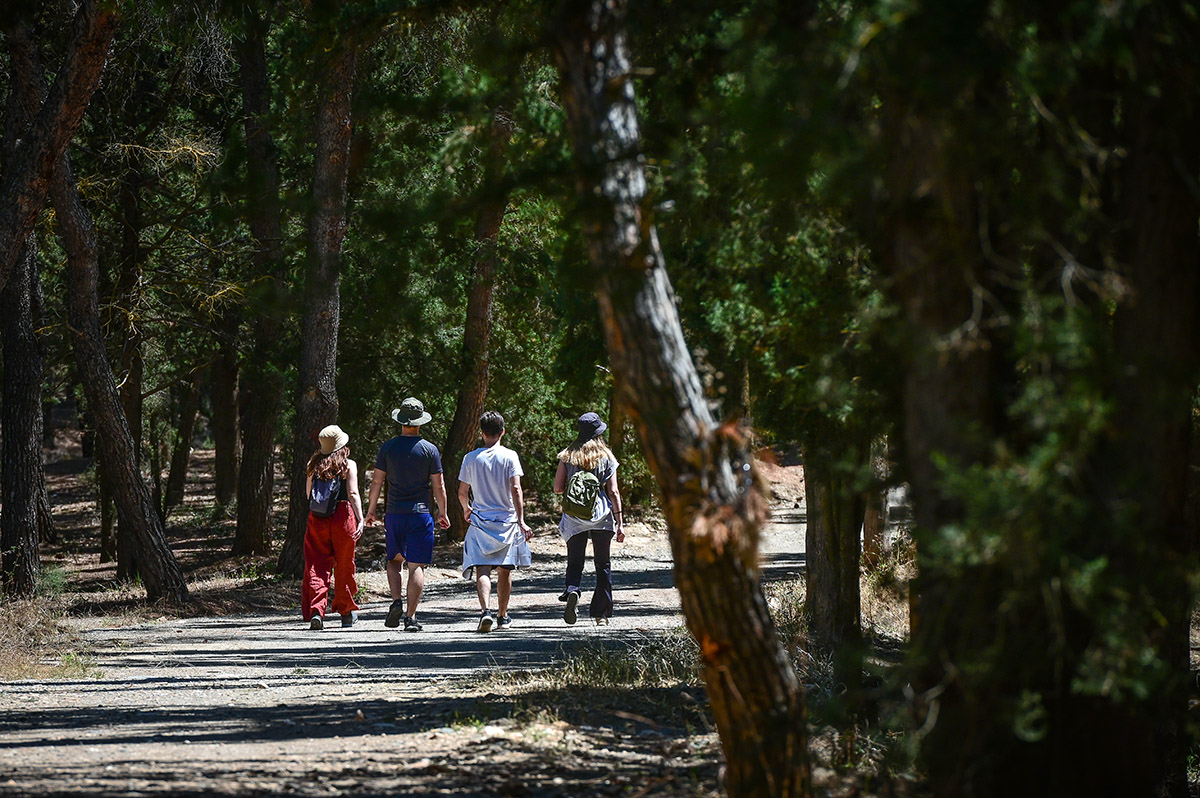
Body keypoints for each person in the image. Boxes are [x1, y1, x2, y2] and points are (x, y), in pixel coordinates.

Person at [364, 397, 450, 632]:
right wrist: (443, 512)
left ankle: (395, 601)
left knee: (394, 560)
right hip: (421, 514)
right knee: (417, 566)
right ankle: (411, 617)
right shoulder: (429, 450)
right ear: (420, 422)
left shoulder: (388, 448)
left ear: (401, 420)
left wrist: (371, 511)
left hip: (394, 512)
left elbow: (377, 483)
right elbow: (439, 486)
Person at [457, 411, 533, 633]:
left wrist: (466, 509)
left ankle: (485, 612)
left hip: (481, 521)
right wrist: (521, 520)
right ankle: (503, 615)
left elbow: (462, 491)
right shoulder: (510, 456)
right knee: (505, 570)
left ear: (481, 433)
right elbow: (516, 488)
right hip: (507, 522)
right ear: (503, 432)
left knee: (483, 568)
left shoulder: (471, 458)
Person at [553, 411, 625, 625]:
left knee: (575, 562)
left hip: (574, 516)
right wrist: (620, 522)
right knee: (603, 564)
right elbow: (614, 492)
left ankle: (573, 589)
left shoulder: (567, 455)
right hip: (601, 515)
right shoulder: (607, 457)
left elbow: (557, 488)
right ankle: (600, 615)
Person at [303, 425, 365, 630]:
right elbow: (353, 493)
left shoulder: (313, 464)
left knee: (317, 564)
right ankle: (346, 612)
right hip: (343, 515)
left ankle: (316, 611)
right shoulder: (349, 465)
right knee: (345, 564)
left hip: (317, 518)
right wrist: (361, 518)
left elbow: (309, 494)